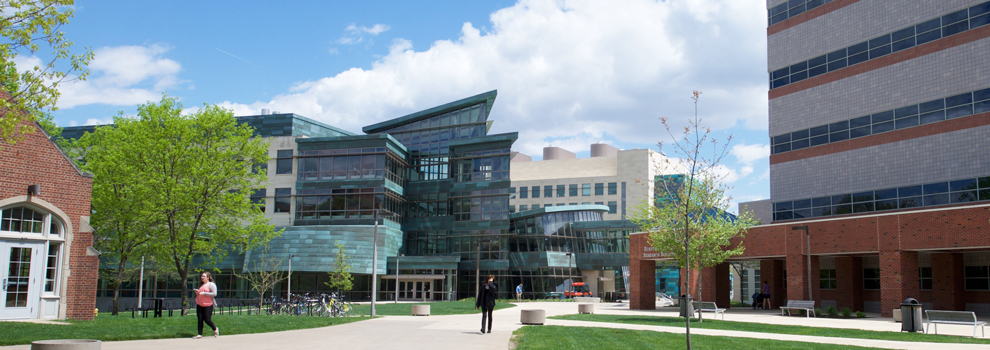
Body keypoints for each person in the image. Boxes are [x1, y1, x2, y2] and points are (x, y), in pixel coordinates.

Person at [193, 271, 219, 339]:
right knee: (200, 319)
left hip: (208, 305)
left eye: (204, 276)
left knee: (207, 319)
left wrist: (204, 293)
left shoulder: (211, 284)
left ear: (208, 277)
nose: (202, 277)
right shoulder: (201, 285)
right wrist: (197, 292)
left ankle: (215, 329)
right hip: (200, 304)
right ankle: (199, 334)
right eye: (201, 276)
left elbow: (214, 294)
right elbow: (200, 294)